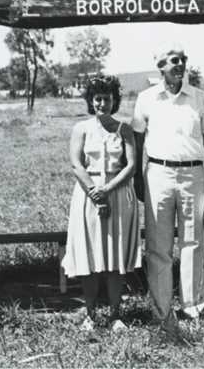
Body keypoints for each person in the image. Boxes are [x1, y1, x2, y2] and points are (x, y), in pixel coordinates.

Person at [132, 45, 204, 328]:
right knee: (158, 247)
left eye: (183, 60)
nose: (180, 65)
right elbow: (137, 141)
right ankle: (161, 311)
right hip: (157, 174)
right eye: (173, 61)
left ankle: (193, 307)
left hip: (193, 175)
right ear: (160, 66)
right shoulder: (146, 98)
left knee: (192, 242)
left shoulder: (199, 98)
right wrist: (137, 175)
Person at [62, 75, 141, 331]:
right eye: (97, 99)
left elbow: (130, 166)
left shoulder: (124, 129)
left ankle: (116, 314)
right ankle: (91, 314)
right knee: (89, 254)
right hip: (87, 195)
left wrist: (107, 189)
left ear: (114, 101)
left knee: (115, 255)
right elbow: (76, 164)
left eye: (107, 98)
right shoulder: (81, 129)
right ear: (90, 101)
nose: (102, 103)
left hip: (118, 194)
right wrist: (95, 191)